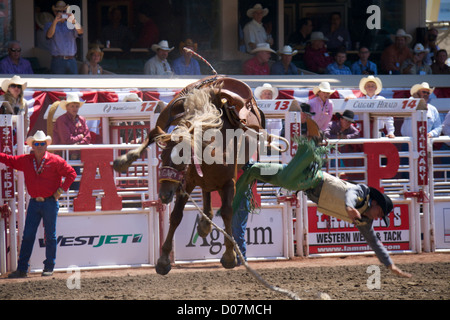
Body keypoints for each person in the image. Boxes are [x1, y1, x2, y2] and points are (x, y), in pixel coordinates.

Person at [231, 138, 412, 278]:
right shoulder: (362, 192)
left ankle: (241, 164)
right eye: (380, 213)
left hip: (303, 184)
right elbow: (350, 194)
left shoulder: (364, 220)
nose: (378, 217)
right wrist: (349, 207)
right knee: (285, 178)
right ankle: (307, 145)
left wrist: (390, 265)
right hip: (310, 178)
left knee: (262, 172)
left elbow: (374, 242)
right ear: (375, 203)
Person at [4, 130, 76, 278]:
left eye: (42, 143)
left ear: (46, 145)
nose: (39, 146)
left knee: (50, 235)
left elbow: (72, 174)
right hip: (36, 202)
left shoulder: (55, 160)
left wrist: (60, 190)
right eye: (37, 144)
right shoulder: (26, 160)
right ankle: (23, 269)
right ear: (32, 145)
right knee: (28, 235)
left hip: (48, 202)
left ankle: (47, 267)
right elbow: (9, 160)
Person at [44, 1, 83, 74]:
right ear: (55, 12)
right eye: (59, 11)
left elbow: (80, 32)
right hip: (58, 60)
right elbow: (49, 35)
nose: (62, 13)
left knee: (73, 84)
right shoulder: (49, 25)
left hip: (72, 60)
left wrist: (74, 20)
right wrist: (55, 21)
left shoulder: (71, 24)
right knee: (57, 84)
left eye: (64, 11)